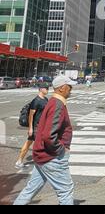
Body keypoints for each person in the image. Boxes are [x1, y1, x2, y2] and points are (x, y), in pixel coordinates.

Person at [14, 75, 77, 206]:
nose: (71, 90)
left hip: (42, 155)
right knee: (66, 190)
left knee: (30, 189)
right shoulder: (57, 105)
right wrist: (61, 150)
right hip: (52, 157)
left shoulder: (53, 102)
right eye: (69, 87)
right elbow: (49, 135)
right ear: (61, 88)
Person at [15, 84, 50, 169]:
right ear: (41, 89)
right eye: (46, 88)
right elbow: (31, 115)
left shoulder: (45, 99)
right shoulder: (36, 101)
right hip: (36, 127)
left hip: (42, 126)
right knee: (34, 143)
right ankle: (20, 161)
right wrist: (30, 128)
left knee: (30, 143)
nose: (48, 90)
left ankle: (19, 161)